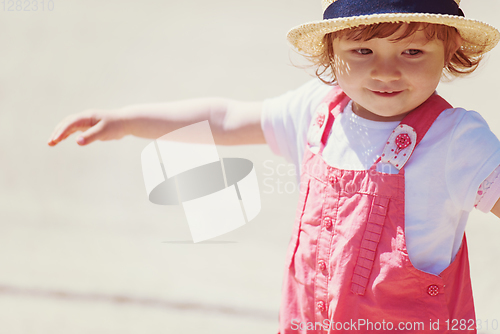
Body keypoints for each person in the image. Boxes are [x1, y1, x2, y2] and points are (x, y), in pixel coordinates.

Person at [47, 0, 500, 333]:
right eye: (363, 51)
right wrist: (126, 121)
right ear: (330, 48)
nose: (386, 71)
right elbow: (224, 118)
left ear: (450, 49)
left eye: (412, 53)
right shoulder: (316, 111)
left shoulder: (455, 139)